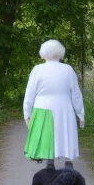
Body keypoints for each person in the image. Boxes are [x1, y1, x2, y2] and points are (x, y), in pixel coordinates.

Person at [23, 39, 85, 169]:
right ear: (60, 54)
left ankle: (50, 164)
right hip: (65, 109)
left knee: (48, 135)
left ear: (43, 54)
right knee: (65, 133)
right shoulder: (68, 70)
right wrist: (80, 115)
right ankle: (69, 163)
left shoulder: (37, 70)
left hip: (42, 109)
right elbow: (76, 95)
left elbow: (29, 94)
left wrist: (27, 114)